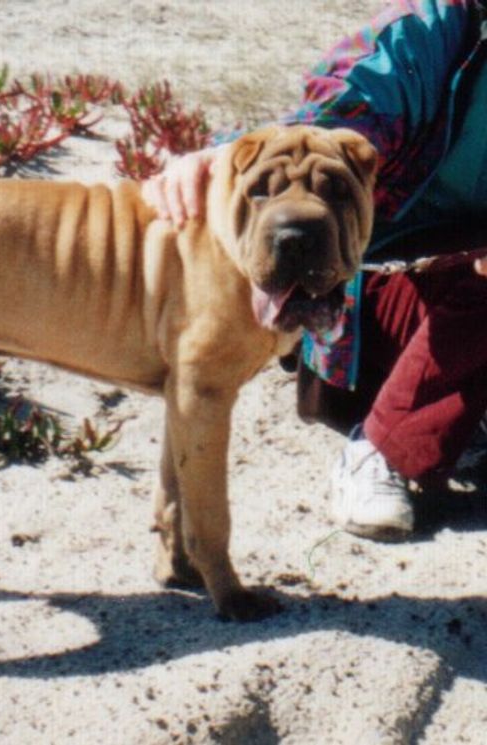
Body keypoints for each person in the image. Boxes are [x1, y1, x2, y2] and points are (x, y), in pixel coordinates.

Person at [143, 0, 487, 540]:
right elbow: (328, 128)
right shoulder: (424, 33)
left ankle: (467, 425)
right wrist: (219, 158)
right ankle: (378, 450)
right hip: (355, 300)